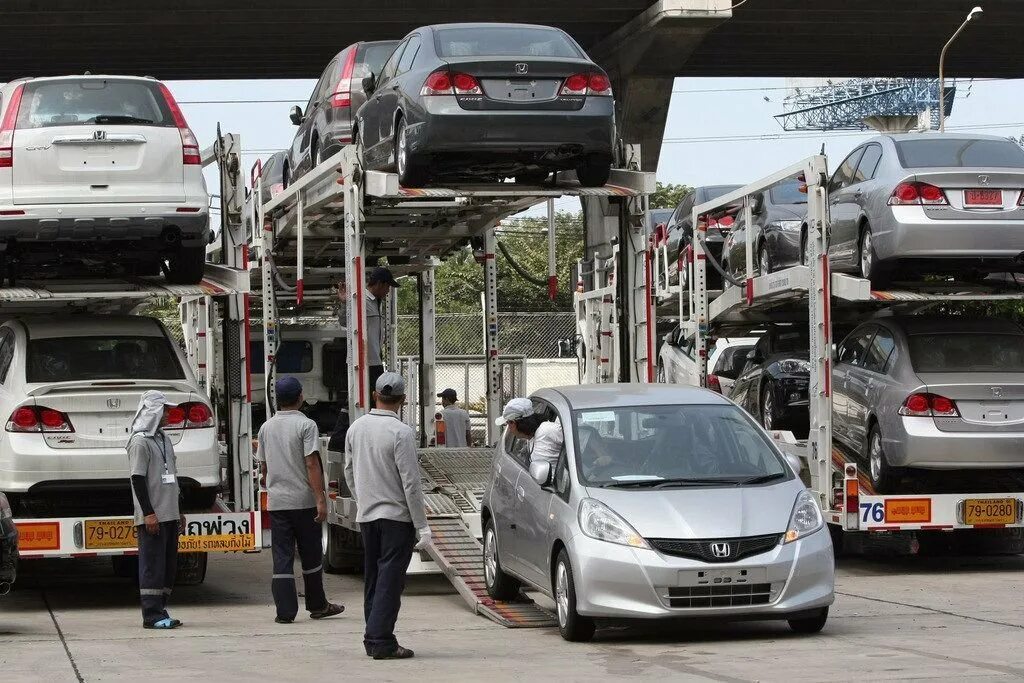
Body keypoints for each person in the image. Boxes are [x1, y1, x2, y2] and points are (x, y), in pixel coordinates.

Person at [344, 372, 430, 660]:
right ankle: (381, 640)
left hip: (368, 517)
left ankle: (373, 636)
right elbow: (411, 483)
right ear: (403, 400)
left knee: (374, 578)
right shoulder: (401, 433)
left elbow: (348, 471)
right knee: (390, 581)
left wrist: (363, 499)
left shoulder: (356, 428)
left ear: (374, 395)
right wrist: (422, 525)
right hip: (396, 518)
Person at [257, 377, 344, 624]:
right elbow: (311, 463)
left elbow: (263, 467)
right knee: (311, 555)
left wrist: (271, 486)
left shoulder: (266, 427)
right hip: (303, 503)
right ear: (300, 397)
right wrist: (321, 499)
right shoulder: (306, 425)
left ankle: (285, 612)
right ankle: (317, 605)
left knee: (282, 557)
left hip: (278, 504)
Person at [127, 391, 186, 630]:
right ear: (153, 411)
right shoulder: (140, 442)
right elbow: (137, 479)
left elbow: (172, 478)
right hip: (153, 516)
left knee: (169, 567)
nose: (169, 414)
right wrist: (149, 513)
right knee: (153, 565)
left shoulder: (163, 439)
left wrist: (178, 510)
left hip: (169, 514)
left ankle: (161, 609)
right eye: (165, 410)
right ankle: (151, 615)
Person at [336, 267, 401, 394]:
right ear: (379, 284)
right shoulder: (361, 300)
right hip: (363, 362)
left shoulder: (377, 302)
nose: (388, 291)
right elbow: (344, 322)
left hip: (374, 359)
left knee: (375, 397)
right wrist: (345, 303)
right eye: (387, 287)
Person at [496, 397, 564, 466]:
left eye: (508, 423)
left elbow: (573, 441)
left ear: (513, 422)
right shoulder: (530, 437)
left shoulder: (548, 430)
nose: (508, 428)